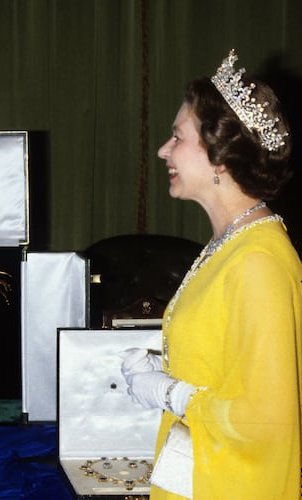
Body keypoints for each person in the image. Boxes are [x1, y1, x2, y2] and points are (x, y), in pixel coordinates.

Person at [121, 49, 302, 499]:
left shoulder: (257, 260)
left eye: (177, 137)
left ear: (220, 156)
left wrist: (169, 394)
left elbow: (267, 417)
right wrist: (168, 370)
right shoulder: (230, 245)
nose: (164, 150)